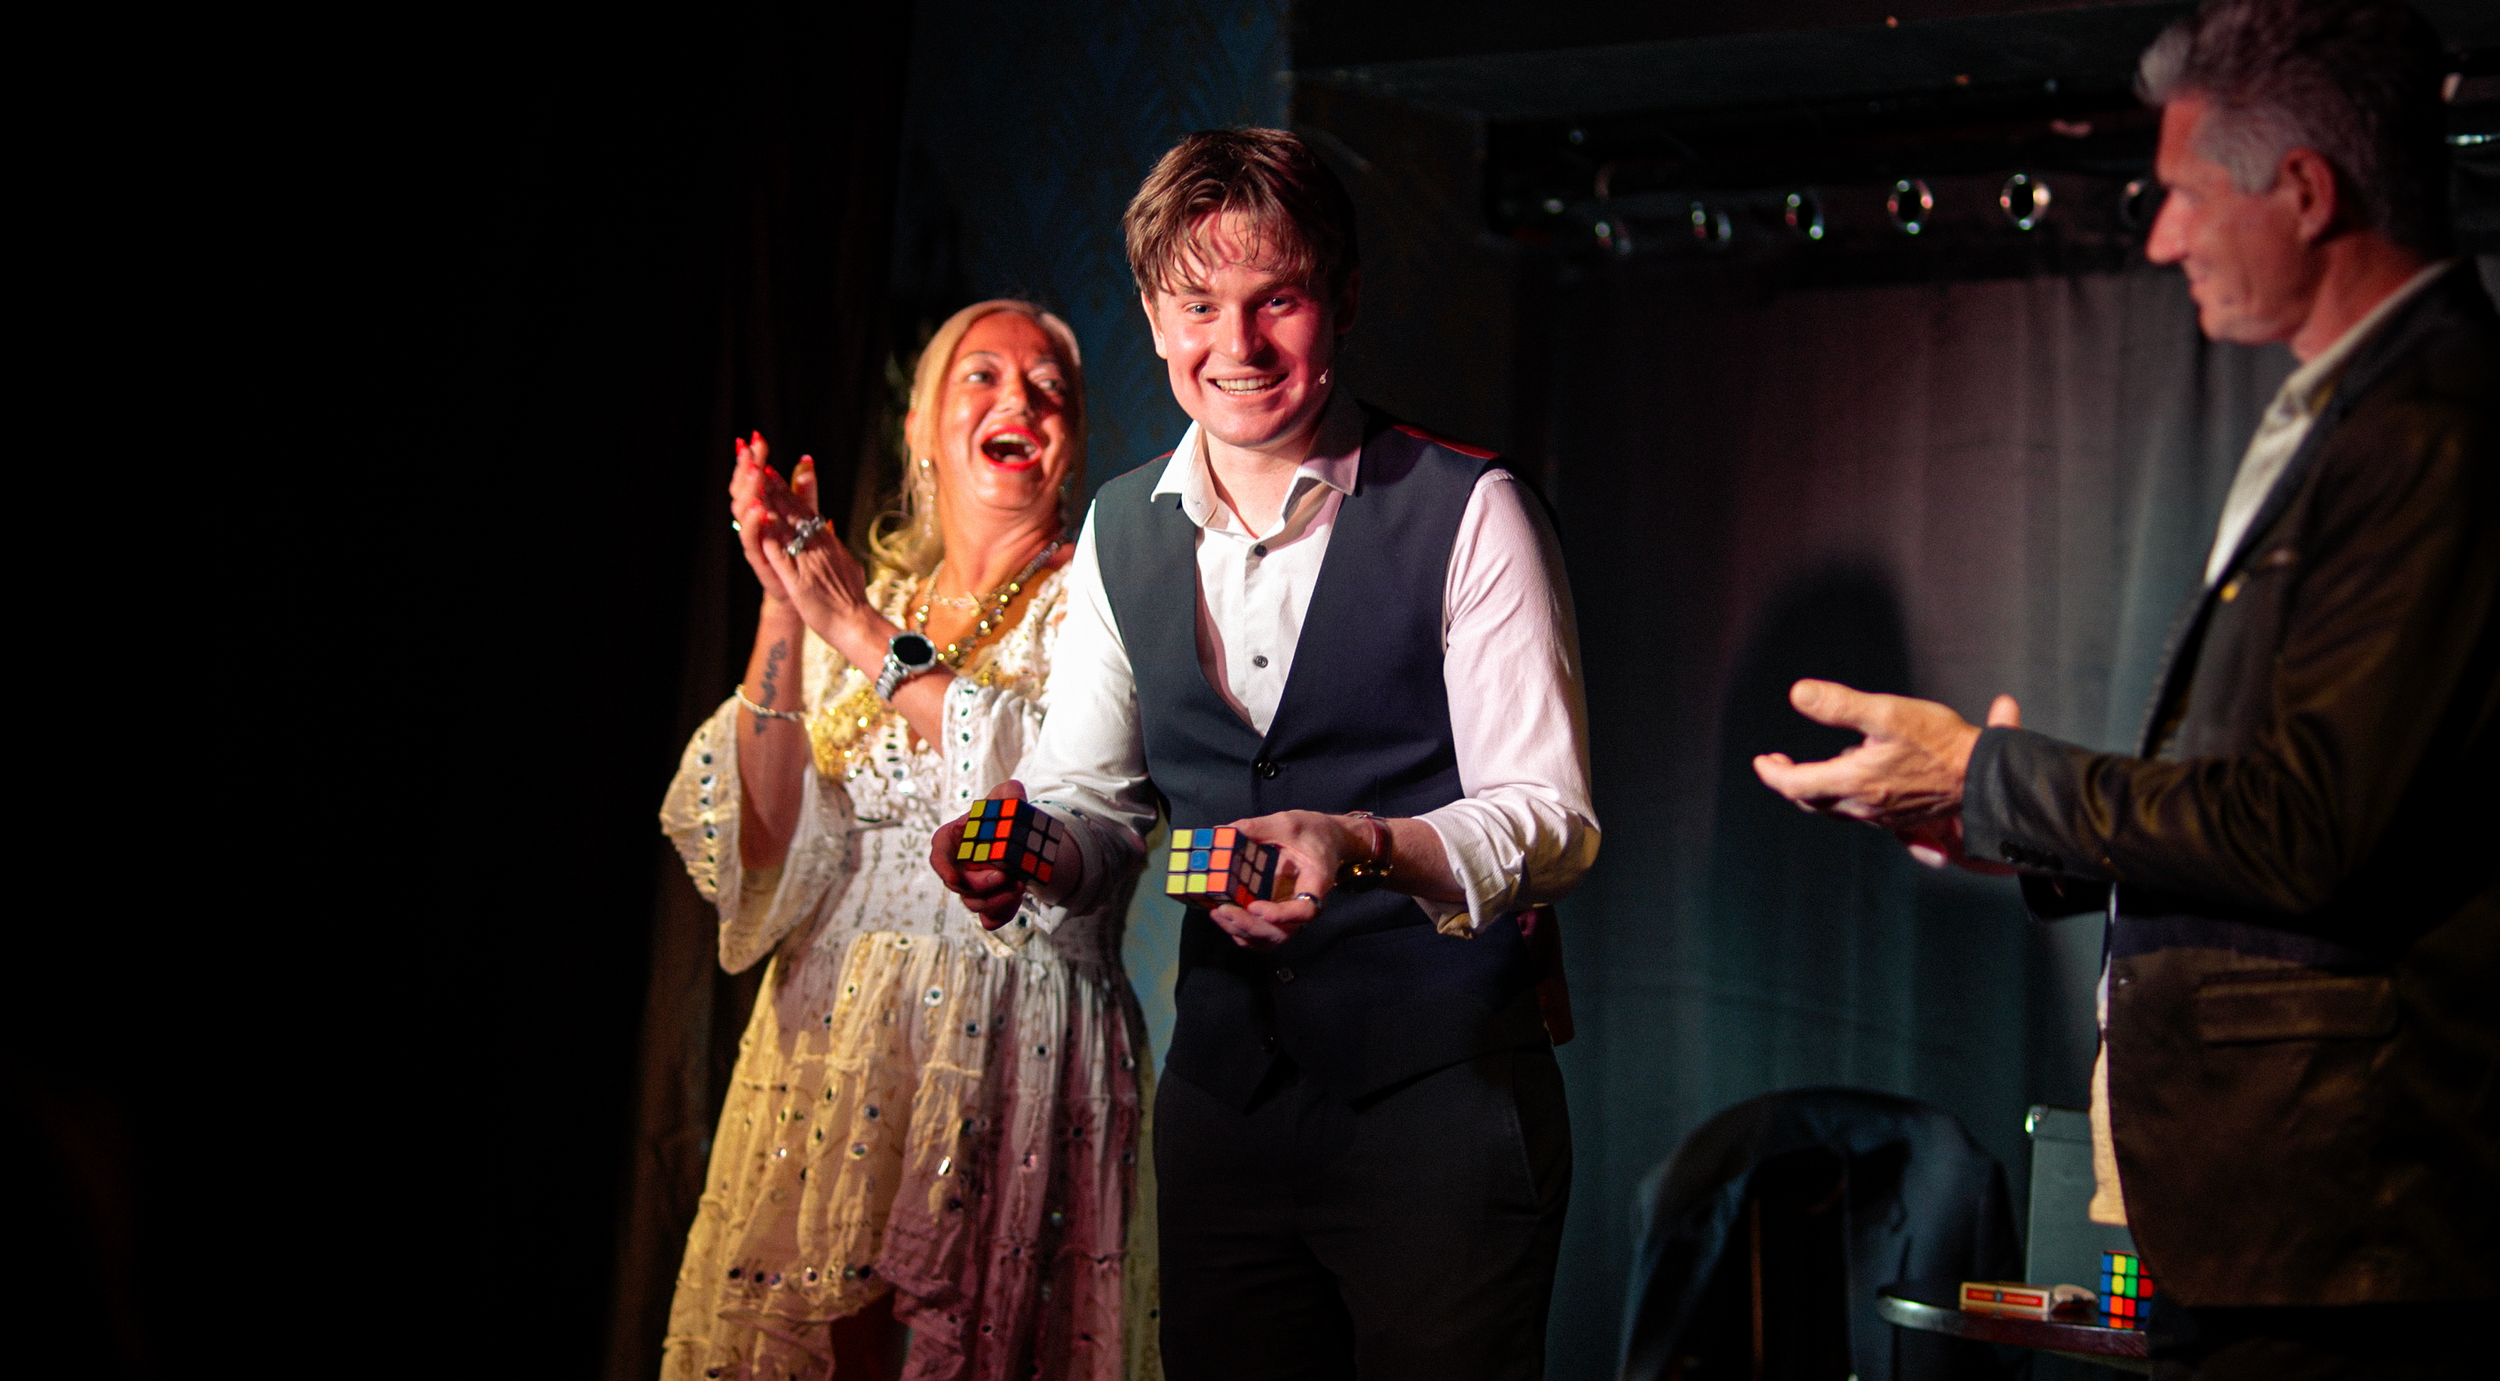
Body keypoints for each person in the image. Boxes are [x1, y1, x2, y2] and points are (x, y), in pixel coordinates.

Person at [1752, 2, 2495, 1376]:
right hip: (2285, 1220)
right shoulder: (2361, 415)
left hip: (2352, 1223)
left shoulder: (2430, 427)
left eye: (2181, 196)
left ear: (2308, 191)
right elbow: (2297, 820)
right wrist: (2009, 832)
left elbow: (2313, 827)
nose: (2159, 238)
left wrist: (1992, 775)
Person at [930, 130, 1598, 1380]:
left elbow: (1551, 817)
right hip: (1225, 1106)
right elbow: (1095, 800)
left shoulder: (1471, 507)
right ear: (1150, 313)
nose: (1232, 347)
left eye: (1274, 300)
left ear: (1338, 299)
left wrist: (1361, 847)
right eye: (1196, 305)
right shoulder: (1118, 529)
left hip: (1441, 1103)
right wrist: (1026, 847)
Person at [657, 300, 1158, 1381]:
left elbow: (1064, 790)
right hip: (825, 1053)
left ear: (1068, 443)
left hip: (1006, 1043)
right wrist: (787, 607)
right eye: (979, 377)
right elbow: (761, 849)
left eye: (1047, 386)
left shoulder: (1097, 605)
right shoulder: (862, 593)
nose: (1016, 398)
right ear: (925, 433)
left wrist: (855, 628)